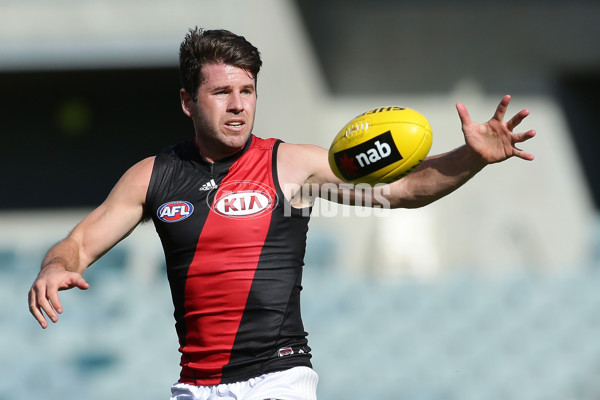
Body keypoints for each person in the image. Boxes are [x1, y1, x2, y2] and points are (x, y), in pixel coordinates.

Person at [28, 27, 535, 400]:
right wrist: (56, 267)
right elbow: (79, 243)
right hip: (195, 386)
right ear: (188, 101)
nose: (238, 106)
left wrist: (470, 157)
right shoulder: (153, 176)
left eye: (247, 91)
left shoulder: (289, 164)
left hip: (278, 378)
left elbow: (402, 189)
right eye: (222, 92)